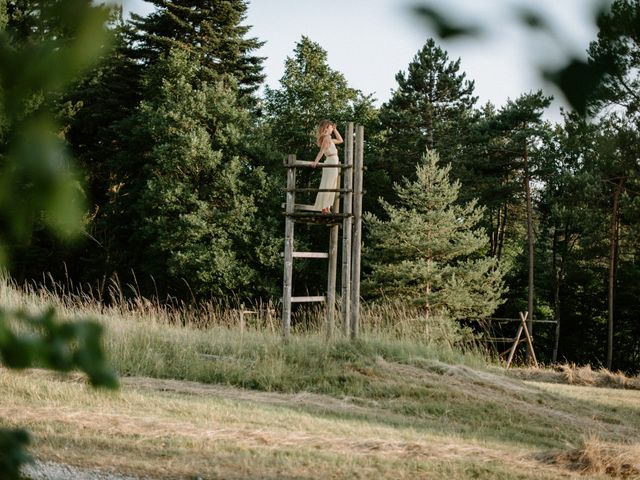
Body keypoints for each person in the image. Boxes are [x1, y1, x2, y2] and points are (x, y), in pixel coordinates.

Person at [312, 120, 343, 213]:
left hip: (333, 161)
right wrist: (315, 162)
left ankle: (327, 207)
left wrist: (335, 130)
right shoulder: (327, 137)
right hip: (331, 161)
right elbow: (321, 151)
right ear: (326, 128)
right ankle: (324, 207)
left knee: (331, 185)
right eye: (330, 127)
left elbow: (341, 140)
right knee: (328, 185)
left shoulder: (328, 138)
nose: (331, 128)